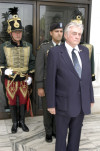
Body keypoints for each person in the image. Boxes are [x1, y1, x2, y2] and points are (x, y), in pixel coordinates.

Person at [46, 18, 94, 151]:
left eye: (79, 34)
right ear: (66, 35)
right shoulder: (55, 52)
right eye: (74, 33)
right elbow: (50, 80)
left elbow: (86, 77)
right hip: (63, 104)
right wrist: (51, 104)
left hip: (81, 103)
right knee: (61, 138)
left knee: (75, 137)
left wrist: (90, 97)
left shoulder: (84, 51)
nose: (77, 36)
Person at [0, 7, 35, 133]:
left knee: (23, 101)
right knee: (12, 101)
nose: (18, 34)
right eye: (15, 32)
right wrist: (4, 71)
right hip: (10, 80)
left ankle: (22, 122)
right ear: (10, 33)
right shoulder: (3, 46)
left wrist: (30, 76)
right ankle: (15, 122)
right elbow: (1, 63)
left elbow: (32, 62)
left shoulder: (28, 46)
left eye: (20, 31)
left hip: (24, 80)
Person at [35, 22, 63, 142]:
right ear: (51, 33)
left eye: (61, 31)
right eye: (57, 31)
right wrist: (40, 86)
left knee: (60, 109)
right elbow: (39, 68)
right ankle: (48, 132)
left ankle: (56, 130)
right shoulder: (44, 48)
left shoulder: (66, 47)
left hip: (62, 86)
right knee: (47, 110)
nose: (59, 34)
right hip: (47, 85)